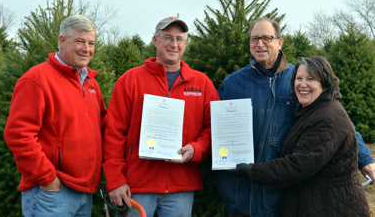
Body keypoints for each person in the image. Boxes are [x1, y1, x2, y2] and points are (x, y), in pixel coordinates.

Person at [217, 17, 375, 217]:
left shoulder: (298, 79)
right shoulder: (233, 83)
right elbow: (215, 124)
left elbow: (338, 122)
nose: (260, 44)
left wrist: (364, 158)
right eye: (254, 39)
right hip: (241, 190)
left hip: (282, 188)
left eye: (267, 38)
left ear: (280, 42)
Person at [102, 16, 220, 217]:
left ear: (185, 43)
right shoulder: (130, 81)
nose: (174, 44)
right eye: (167, 37)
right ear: (155, 40)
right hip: (137, 187)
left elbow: (214, 128)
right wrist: (115, 180)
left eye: (179, 39)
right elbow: (113, 134)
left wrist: (196, 149)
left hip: (181, 187)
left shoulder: (202, 83)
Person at [234, 56, 370, 216]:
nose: (302, 84)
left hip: (332, 207)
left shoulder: (326, 118)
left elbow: (297, 166)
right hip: (318, 203)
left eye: (310, 79)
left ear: (324, 85)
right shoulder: (311, 110)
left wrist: (250, 170)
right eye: (299, 78)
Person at [4, 15, 107, 216]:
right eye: (79, 41)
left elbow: (104, 127)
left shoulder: (90, 83)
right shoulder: (37, 80)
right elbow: (18, 135)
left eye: (91, 43)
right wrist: (49, 179)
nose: (86, 49)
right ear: (62, 41)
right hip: (52, 194)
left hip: (84, 192)